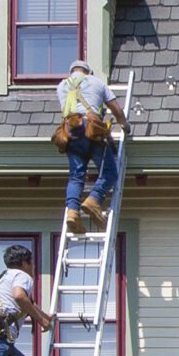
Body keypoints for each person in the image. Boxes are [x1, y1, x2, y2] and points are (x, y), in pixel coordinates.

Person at [56, 59, 126, 233]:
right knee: (110, 171)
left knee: (76, 176)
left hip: (70, 132)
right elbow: (115, 108)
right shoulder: (96, 82)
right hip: (90, 129)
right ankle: (93, 200)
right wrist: (125, 125)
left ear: (71, 73)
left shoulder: (61, 86)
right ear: (88, 72)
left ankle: (73, 211)